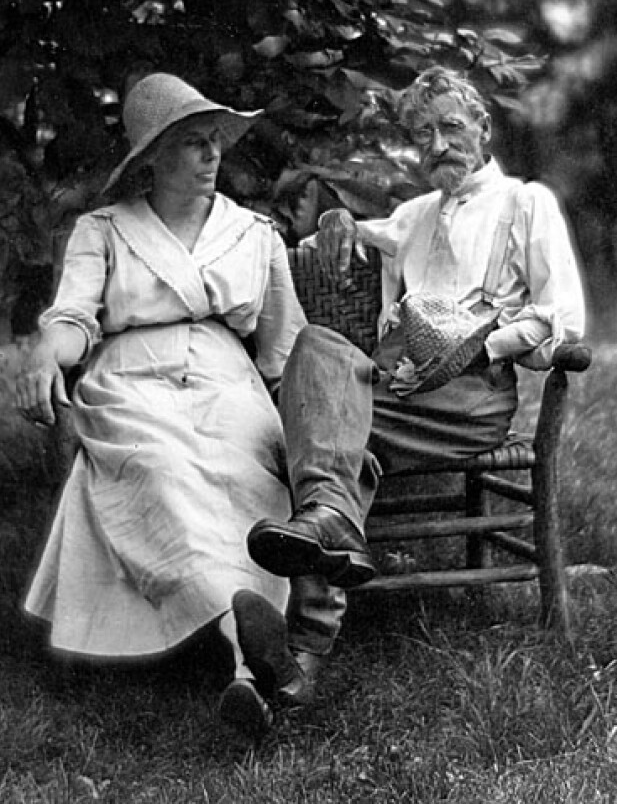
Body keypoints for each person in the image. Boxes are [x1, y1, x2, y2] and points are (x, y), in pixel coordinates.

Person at [245, 67, 586, 673]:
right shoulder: (414, 214)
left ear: (482, 128)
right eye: (422, 133)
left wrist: (482, 347)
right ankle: (313, 610)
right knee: (318, 348)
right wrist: (335, 222)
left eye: (451, 128)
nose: (437, 146)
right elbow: (353, 232)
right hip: (394, 392)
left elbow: (561, 320)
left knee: (315, 431)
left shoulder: (524, 203)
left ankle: (306, 638)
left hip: (469, 400)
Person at [16, 72, 312, 738]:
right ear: (152, 155)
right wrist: (45, 351)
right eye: (194, 143)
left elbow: (283, 348)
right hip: (131, 381)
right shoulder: (105, 231)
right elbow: (72, 319)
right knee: (161, 472)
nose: (213, 156)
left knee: (244, 477)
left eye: (216, 141)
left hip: (224, 379)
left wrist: (296, 417)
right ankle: (255, 655)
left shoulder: (253, 233)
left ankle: (247, 670)